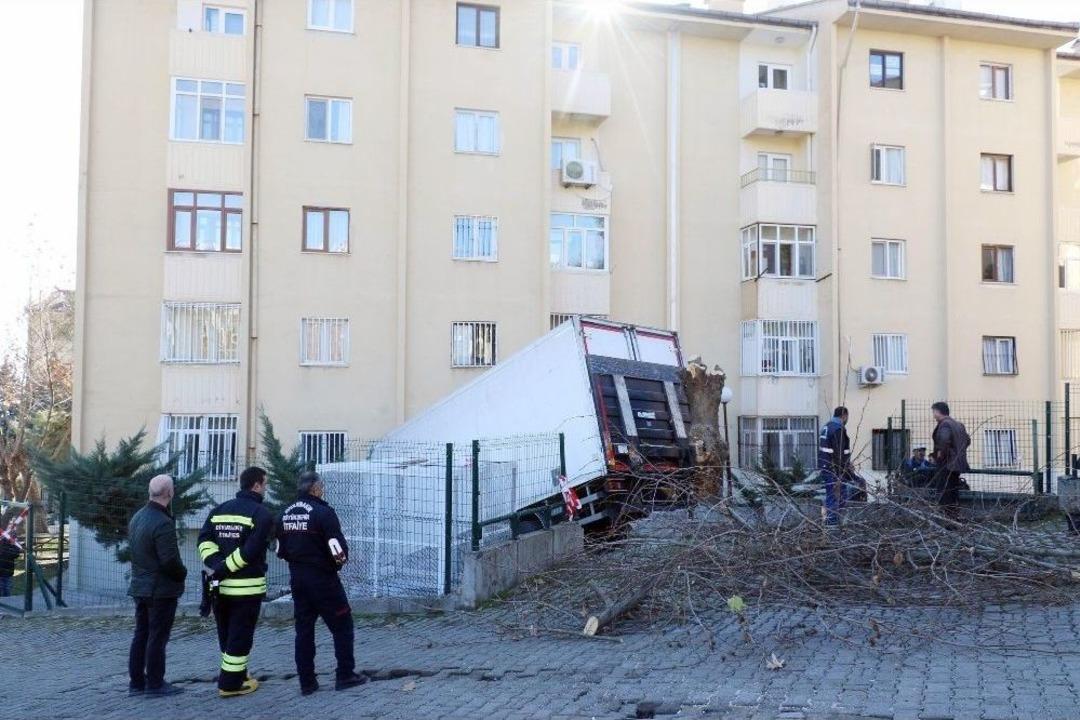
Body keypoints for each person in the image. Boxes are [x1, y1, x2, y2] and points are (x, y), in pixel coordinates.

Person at [276, 471, 365, 695]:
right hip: (323, 580)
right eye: (321, 487)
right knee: (342, 625)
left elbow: (280, 550)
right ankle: (345, 675)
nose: (322, 490)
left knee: (304, 630)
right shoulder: (323, 513)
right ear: (315, 489)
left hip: (298, 578)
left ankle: (307, 683)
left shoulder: (284, 514)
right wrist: (337, 565)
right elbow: (338, 551)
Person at [197, 466, 274, 698]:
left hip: (220, 589)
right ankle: (230, 684)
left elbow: (204, 541)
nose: (266, 488)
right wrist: (225, 567)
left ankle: (238, 673)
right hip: (247, 589)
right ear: (257, 485)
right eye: (265, 484)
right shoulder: (261, 514)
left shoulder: (219, 510)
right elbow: (251, 551)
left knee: (226, 635)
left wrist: (217, 565)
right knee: (240, 637)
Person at [127, 474, 188, 697]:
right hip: (160, 590)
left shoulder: (138, 517)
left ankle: (136, 682)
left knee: (141, 633)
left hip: (140, 586)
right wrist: (182, 574)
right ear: (169, 493)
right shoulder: (163, 522)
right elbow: (169, 560)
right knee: (157, 636)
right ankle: (155, 683)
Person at [930, 401, 970, 518]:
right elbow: (967, 440)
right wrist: (958, 452)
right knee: (953, 493)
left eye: (934, 412)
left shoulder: (945, 424)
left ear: (938, 412)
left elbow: (944, 440)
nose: (933, 415)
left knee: (945, 493)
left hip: (947, 465)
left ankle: (947, 521)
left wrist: (939, 455)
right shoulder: (959, 425)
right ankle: (954, 519)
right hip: (957, 465)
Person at [818, 406, 853, 525]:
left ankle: (832, 520)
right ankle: (833, 523)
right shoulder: (838, 429)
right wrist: (844, 470)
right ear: (844, 416)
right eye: (847, 417)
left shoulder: (827, 427)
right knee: (838, 495)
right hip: (835, 469)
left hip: (826, 466)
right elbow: (839, 454)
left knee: (832, 494)